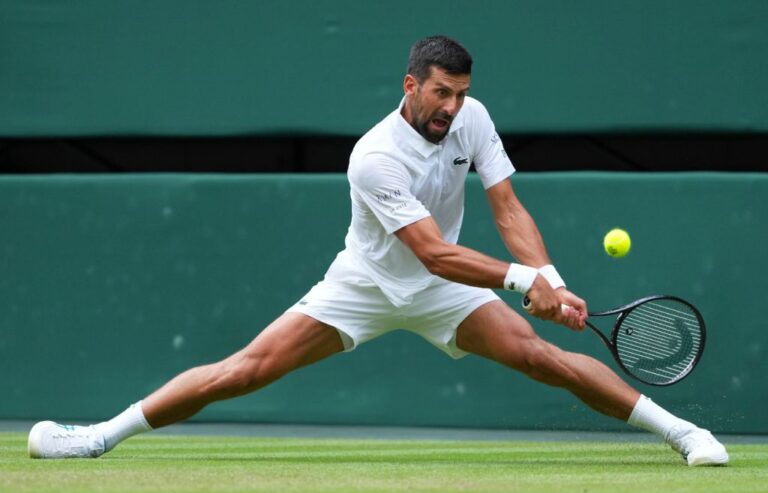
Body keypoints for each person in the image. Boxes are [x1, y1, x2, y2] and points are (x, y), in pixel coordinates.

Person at [28, 35, 728, 466]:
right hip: (367, 281)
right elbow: (431, 252)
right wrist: (522, 280)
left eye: (461, 94)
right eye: (441, 93)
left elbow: (506, 206)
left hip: (445, 291)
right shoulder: (373, 157)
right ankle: (96, 436)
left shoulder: (474, 120)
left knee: (545, 358)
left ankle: (685, 433)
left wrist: (549, 276)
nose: (453, 107)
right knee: (240, 372)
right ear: (410, 85)